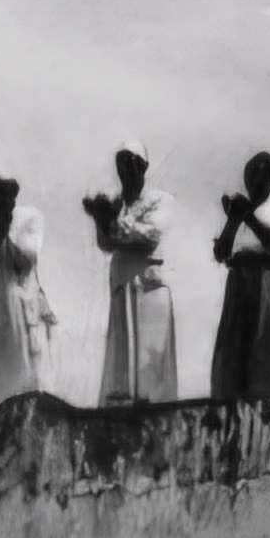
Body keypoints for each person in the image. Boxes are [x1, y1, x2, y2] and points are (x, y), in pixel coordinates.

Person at [81, 140, 179, 405]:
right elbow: (106, 244)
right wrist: (102, 221)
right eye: (121, 163)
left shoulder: (160, 200)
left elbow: (150, 235)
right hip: (122, 287)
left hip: (150, 289)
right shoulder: (118, 205)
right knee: (121, 367)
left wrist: (114, 222)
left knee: (150, 363)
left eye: (132, 163)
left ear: (144, 167)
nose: (126, 169)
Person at [209, 151, 270, 401]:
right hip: (237, 280)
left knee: (262, 343)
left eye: (259, 174)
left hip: (264, 280)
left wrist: (247, 217)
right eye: (249, 174)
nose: (253, 180)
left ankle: (263, 402)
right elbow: (221, 253)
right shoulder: (239, 210)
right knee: (232, 347)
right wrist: (233, 220)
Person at [0, 175, 54, 410]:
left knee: (27, 376)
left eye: (2, 196)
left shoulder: (29, 218)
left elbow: (27, 258)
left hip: (22, 307)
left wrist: (5, 234)